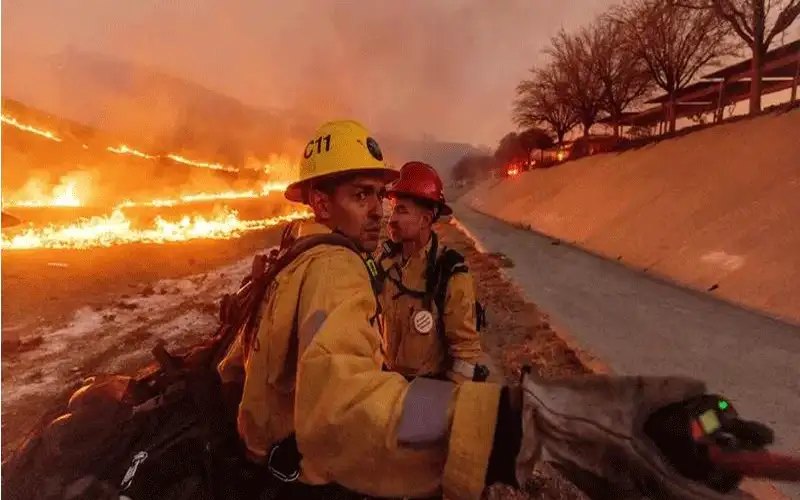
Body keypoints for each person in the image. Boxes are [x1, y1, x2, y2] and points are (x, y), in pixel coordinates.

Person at [218, 119, 774, 500]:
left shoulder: (299, 257)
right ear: (320, 201)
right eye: (360, 196)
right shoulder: (336, 269)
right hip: (318, 469)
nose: (380, 212)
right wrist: (518, 421)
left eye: (381, 197)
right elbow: (345, 406)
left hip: (327, 442)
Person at [378, 161, 486, 382]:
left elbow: (465, 353)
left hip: (427, 390)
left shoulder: (450, 272)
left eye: (401, 211)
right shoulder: (385, 262)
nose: (392, 220)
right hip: (386, 385)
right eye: (393, 210)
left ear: (425, 220)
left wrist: (445, 403)